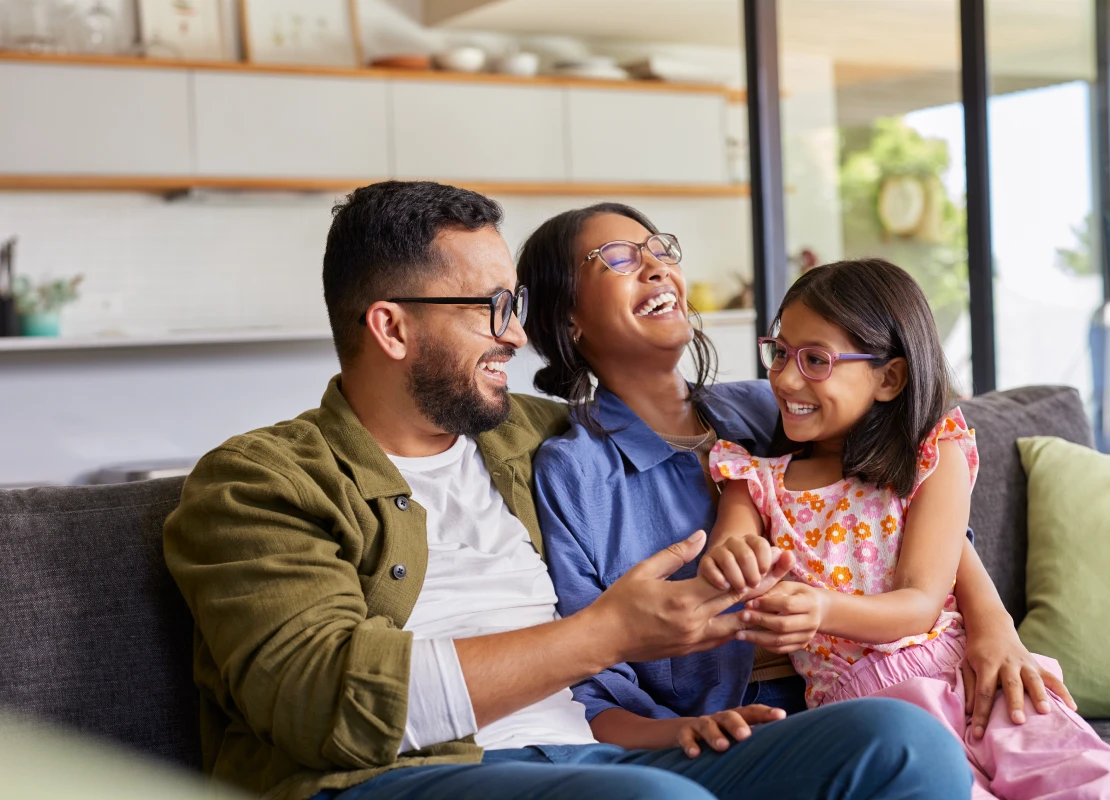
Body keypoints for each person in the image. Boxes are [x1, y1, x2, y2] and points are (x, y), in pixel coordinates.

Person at [164, 181, 972, 800]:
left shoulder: (532, 434)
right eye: (489, 309)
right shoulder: (256, 484)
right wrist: (607, 634)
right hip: (409, 774)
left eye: (514, 305)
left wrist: (990, 622)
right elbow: (325, 703)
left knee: (903, 743)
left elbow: (894, 473)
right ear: (391, 327)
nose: (516, 334)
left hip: (601, 757)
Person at [520, 202, 1076, 757]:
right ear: (568, 317)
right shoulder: (575, 470)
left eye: (661, 249)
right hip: (748, 728)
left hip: (906, 674)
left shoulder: (775, 404)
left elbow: (911, 509)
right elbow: (585, 678)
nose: (658, 267)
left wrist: (994, 625)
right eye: (617, 259)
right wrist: (679, 733)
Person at [701, 258, 1110, 797]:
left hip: (972, 673)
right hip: (867, 712)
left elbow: (920, 601)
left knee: (1079, 782)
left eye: (816, 360)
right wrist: (731, 561)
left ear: (889, 378)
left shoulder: (933, 457)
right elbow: (730, 549)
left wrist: (822, 609)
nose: (785, 376)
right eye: (779, 352)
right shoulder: (754, 479)